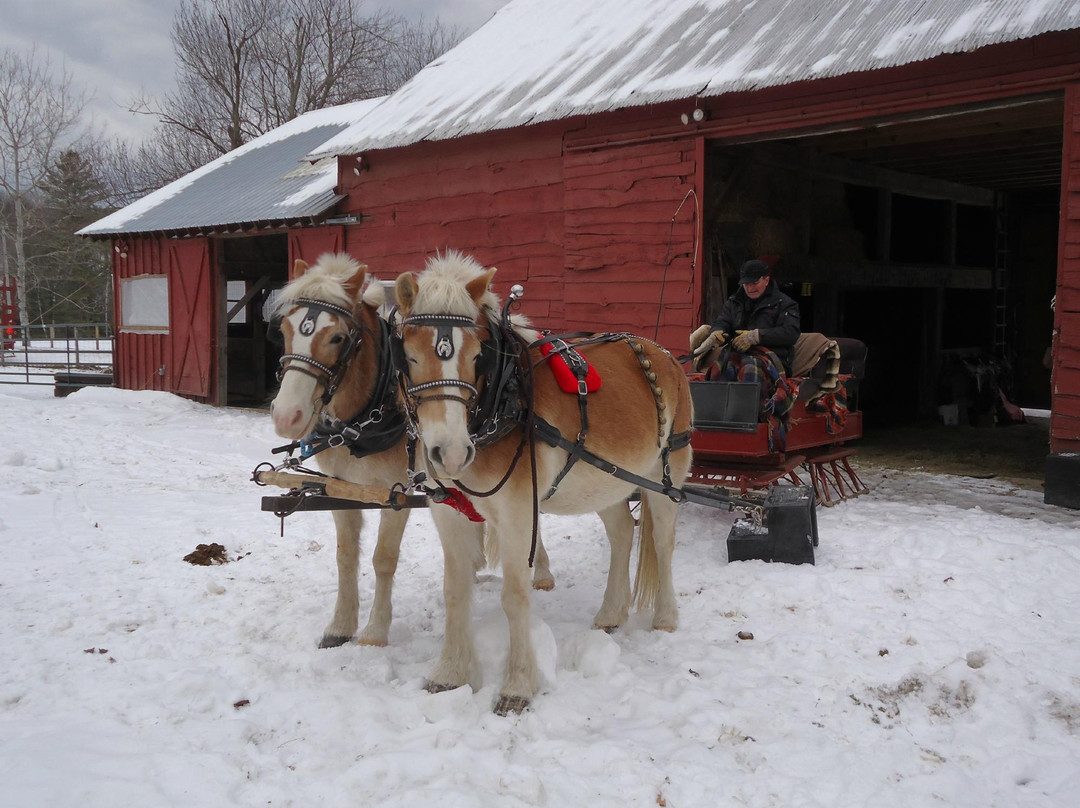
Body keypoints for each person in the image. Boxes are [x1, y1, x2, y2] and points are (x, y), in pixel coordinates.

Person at [689, 259, 801, 377]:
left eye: (754, 283)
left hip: (773, 358)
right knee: (720, 369)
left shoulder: (785, 304)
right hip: (737, 354)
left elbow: (791, 333)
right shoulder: (734, 302)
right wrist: (717, 331)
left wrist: (756, 337)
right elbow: (723, 321)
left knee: (749, 369)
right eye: (746, 284)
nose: (750, 288)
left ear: (766, 280)